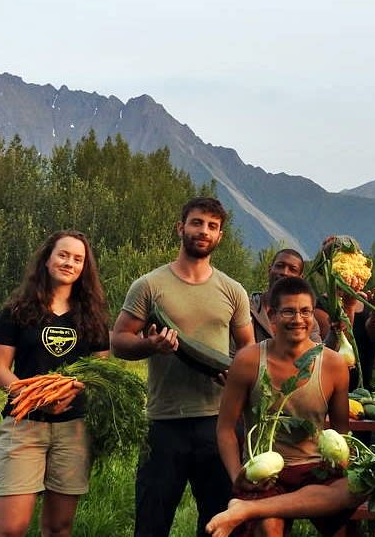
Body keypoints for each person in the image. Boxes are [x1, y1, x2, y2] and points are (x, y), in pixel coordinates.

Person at [111, 197, 255, 537]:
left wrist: (236, 371)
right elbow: (118, 341)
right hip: (164, 423)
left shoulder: (233, 290)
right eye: (196, 223)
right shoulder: (149, 286)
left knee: (218, 523)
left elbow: (248, 348)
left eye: (212, 226)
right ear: (181, 228)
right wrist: (149, 345)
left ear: (220, 236)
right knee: (151, 522)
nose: (203, 231)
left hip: (219, 423)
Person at [205, 276, 360, 537]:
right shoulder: (249, 360)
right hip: (265, 469)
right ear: (272, 316)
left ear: (313, 315)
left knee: (352, 490)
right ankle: (253, 508)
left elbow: (343, 434)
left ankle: (244, 510)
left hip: (314, 469)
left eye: (305, 311)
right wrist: (237, 477)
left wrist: (342, 463)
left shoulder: (333, 365)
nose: (297, 319)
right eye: (288, 311)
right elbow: (225, 429)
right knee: (268, 528)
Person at [0, 229, 110, 537]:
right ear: (47, 259)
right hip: (24, 424)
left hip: (74, 430)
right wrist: (36, 396)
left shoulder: (93, 316)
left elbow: (100, 369)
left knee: (58, 527)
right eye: (63, 255)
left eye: (78, 259)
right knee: (10, 528)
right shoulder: (16, 310)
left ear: (85, 268)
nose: (69, 263)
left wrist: (74, 390)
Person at [249, 249, 321, 344]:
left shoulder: (305, 321)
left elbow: (318, 353)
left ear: (300, 278)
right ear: (270, 269)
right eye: (279, 266)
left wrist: (335, 331)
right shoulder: (247, 306)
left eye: (293, 269)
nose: (285, 272)